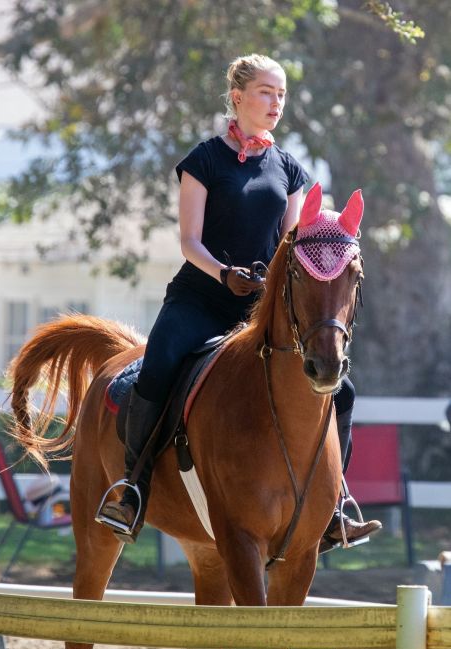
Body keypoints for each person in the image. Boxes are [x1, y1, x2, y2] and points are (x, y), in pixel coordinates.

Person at [97, 53, 381, 549]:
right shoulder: (203, 160)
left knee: (346, 392)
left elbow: (291, 244)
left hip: (262, 310)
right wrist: (225, 273)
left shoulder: (290, 168)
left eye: (282, 94)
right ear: (238, 97)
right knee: (160, 364)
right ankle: (132, 486)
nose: (276, 103)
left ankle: (335, 504)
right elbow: (189, 241)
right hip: (200, 298)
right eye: (266, 92)